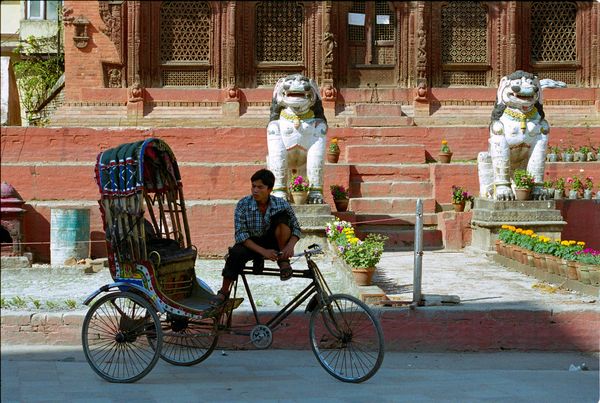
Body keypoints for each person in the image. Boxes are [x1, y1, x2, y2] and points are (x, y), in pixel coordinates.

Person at [210, 169, 302, 306]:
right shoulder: (243, 204)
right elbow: (241, 234)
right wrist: (263, 252)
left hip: (275, 241)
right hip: (251, 242)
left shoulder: (281, 204)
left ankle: (283, 261)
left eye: (260, 187)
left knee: (282, 217)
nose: (255, 190)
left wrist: (290, 246)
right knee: (235, 254)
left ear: (269, 189)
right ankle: (223, 291)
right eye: (253, 186)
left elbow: (296, 227)